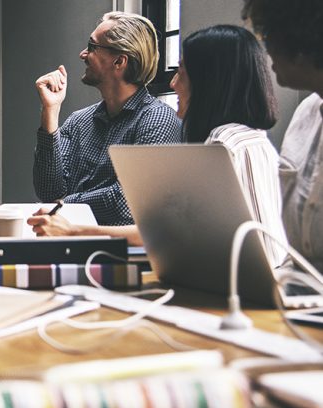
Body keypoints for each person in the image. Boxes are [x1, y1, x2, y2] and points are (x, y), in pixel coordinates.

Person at [29, 24, 288, 267]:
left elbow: (166, 228)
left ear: (209, 82)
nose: (173, 83)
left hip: (252, 293)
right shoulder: (244, 140)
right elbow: (50, 190)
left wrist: (69, 220)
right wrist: (50, 112)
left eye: (181, 72)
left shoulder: (223, 146)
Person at [32, 11, 182, 226]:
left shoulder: (157, 120)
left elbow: (126, 204)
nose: (83, 54)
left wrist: (63, 205)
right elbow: (48, 192)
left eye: (92, 46)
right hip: (69, 246)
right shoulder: (78, 121)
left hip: (119, 255)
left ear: (119, 61)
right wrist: (50, 111)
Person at [242, 0, 323, 272]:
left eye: (268, 36)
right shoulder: (305, 115)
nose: (266, 49)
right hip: (301, 295)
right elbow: (298, 253)